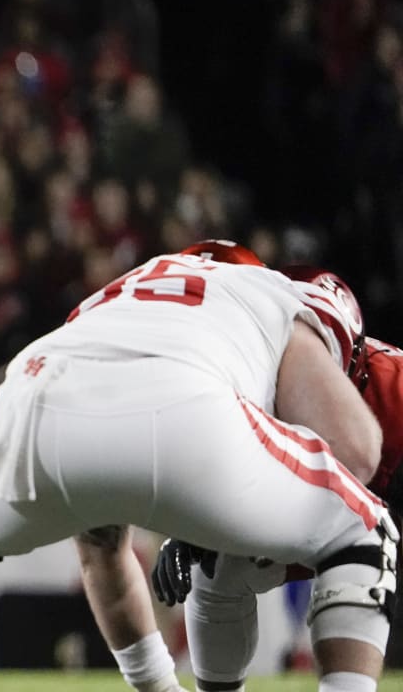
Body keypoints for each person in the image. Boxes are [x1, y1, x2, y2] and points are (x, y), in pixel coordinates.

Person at [0, 247, 397, 692]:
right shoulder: (282, 299)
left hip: (38, 386)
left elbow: (102, 557)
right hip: (187, 404)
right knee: (364, 530)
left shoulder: (119, 296)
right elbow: (356, 452)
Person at [74, 246, 394, 692]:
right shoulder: (210, 363)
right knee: (218, 567)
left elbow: (356, 461)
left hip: (344, 513)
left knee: (366, 533)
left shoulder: (387, 386)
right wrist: (196, 527)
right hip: (293, 508)